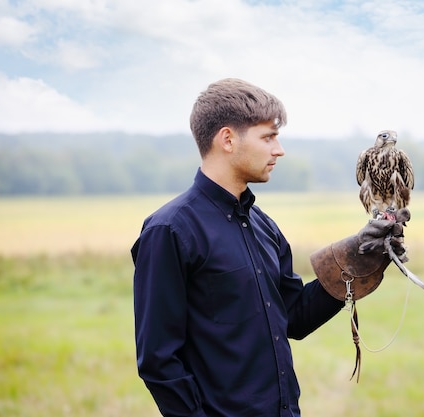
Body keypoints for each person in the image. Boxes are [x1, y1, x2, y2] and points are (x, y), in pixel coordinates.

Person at [131, 78, 401, 416]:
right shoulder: (170, 230)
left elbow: (295, 318)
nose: (279, 149)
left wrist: (360, 259)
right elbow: (158, 361)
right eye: (268, 137)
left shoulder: (263, 225)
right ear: (227, 139)